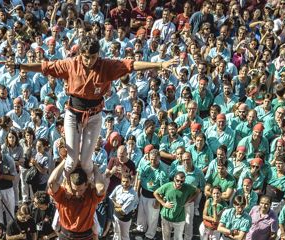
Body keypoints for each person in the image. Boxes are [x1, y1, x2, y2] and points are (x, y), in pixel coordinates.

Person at [13, 37, 175, 174]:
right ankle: (64, 188)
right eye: (86, 57)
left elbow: (131, 65)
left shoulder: (106, 65)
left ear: (98, 54)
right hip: (73, 114)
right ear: (80, 54)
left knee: (85, 162)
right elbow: (44, 67)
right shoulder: (71, 64)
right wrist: (19, 66)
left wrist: (160, 65)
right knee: (70, 161)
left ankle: (89, 184)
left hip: (94, 116)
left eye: (93, 57)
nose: (89, 61)